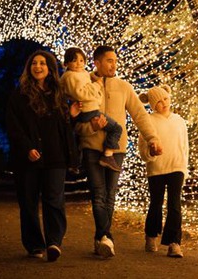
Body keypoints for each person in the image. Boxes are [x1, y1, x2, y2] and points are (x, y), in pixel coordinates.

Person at [74, 45, 162, 258]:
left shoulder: (123, 87)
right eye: (109, 60)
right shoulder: (84, 87)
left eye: (115, 60)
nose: (114, 64)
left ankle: (101, 238)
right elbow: (76, 124)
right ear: (97, 62)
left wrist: (152, 138)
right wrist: (91, 128)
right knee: (98, 194)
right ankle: (106, 237)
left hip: (116, 149)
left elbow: (140, 115)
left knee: (110, 195)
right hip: (92, 148)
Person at [6, 50, 80, 262]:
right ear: (29, 68)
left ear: (49, 69)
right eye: (34, 64)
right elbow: (14, 127)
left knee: (54, 200)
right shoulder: (19, 95)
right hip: (28, 158)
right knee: (28, 202)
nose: (38, 67)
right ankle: (34, 244)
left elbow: (63, 128)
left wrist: (71, 116)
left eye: (43, 63)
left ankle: (54, 242)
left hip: (55, 157)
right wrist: (27, 148)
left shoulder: (58, 94)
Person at [138, 85, 189, 258]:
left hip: (177, 167)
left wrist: (184, 168)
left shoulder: (179, 121)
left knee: (175, 204)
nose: (163, 103)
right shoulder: (149, 121)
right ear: (152, 105)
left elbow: (184, 146)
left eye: (165, 99)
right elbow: (143, 149)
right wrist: (150, 153)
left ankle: (174, 242)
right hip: (157, 169)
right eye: (158, 102)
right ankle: (151, 235)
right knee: (156, 203)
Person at [60, 47, 123, 172]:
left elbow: (86, 84)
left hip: (90, 108)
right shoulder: (71, 76)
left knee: (78, 139)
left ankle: (76, 162)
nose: (79, 63)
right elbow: (82, 93)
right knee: (116, 128)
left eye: (82, 60)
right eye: (74, 60)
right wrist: (97, 85)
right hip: (89, 110)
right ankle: (108, 155)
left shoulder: (81, 73)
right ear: (66, 63)